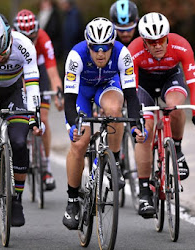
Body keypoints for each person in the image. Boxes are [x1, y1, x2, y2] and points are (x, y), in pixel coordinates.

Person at [62, 17, 147, 230]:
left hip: (107, 86)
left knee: (114, 111)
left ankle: (114, 162)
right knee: (80, 142)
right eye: (95, 48)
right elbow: (69, 101)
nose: (100, 53)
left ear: (112, 44)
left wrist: (137, 124)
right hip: (81, 91)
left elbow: (132, 97)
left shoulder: (122, 54)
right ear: (88, 45)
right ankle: (72, 200)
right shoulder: (75, 56)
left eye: (105, 47)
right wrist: (74, 126)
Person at [128, 12, 195, 218]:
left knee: (174, 106)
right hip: (142, 84)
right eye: (151, 42)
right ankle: (144, 191)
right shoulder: (134, 51)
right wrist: (136, 117)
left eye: (161, 40)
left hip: (170, 79)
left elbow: (194, 83)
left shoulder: (181, 45)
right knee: (146, 129)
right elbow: (131, 90)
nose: (157, 46)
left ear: (168, 37)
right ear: (144, 41)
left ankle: (177, 151)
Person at [0, 12, 42, 227]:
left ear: (10, 38)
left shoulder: (24, 45)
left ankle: (17, 200)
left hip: (14, 89)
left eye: (3, 53)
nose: (0, 58)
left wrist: (35, 113)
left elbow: (32, 83)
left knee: (20, 142)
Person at [13, 9, 64, 191]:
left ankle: (46, 167)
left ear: (37, 31)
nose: (29, 39)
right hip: (18, 71)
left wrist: (58, 94)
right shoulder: (12, 41)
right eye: (24, 36)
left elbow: (52, 72)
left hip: (39, 70)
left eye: (32, 35)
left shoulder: (43, 39)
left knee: (43, 119)